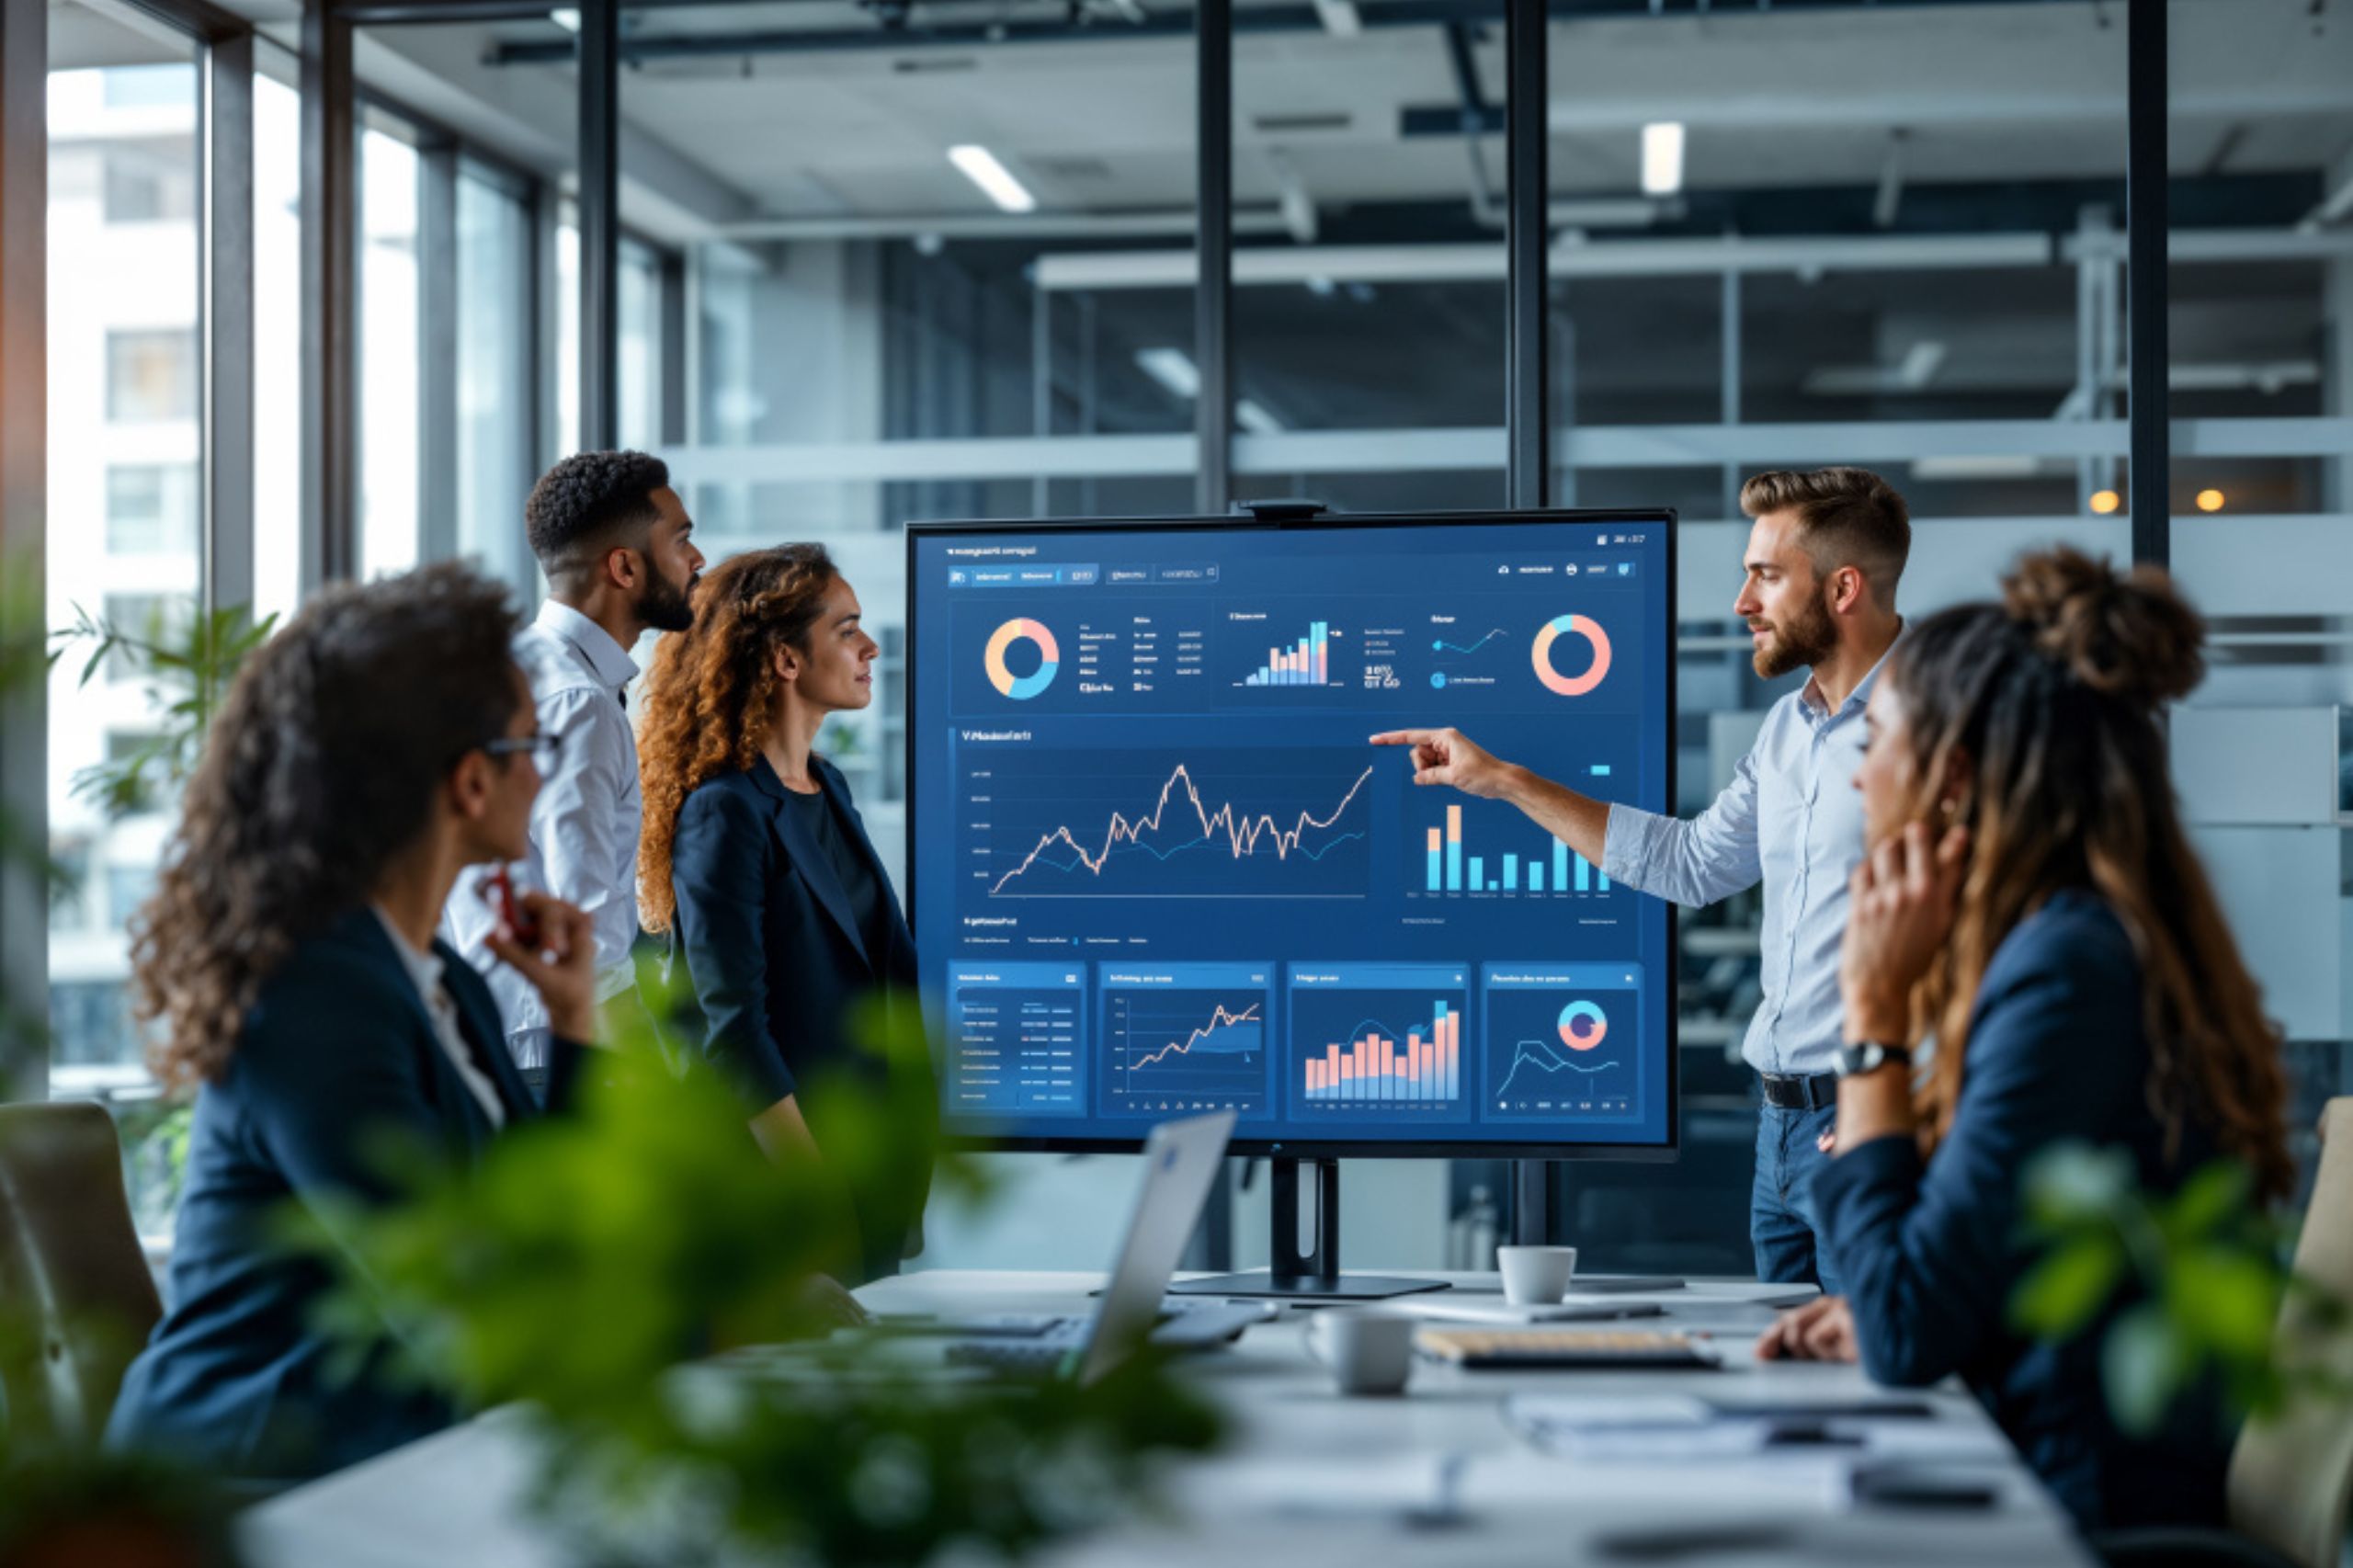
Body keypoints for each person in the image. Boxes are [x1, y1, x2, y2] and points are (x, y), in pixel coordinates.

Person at [1754, 548, 2291, 1533]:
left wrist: (1871, 1016)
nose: (1863, 774)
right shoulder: (2062, 945)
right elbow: (1938, 1284)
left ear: (1950, 778)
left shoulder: (2065, 971)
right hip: (2034, 1466)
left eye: (1878, 740)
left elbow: (1909, 1323)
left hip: (2068, 1510)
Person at [106, 564, 601, 1480]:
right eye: (532, 745)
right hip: (251, 1486)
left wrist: (573, 1022)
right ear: (468, 780)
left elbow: (549, 1219)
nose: (542, 773)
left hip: (394, 1459)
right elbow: (461, 1296)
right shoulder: (315, 995)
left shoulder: (439, 974)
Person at [1372, 467, 1911, 1293]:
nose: (1743, 601)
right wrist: (1507, 782)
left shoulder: (1939, 724)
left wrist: (1922, 1099)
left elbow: (1996, 920)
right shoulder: (1785, 731)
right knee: (1797, 1385)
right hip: (1779, 1130)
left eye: (1765, 575)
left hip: (1869, 1119)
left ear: (1843, 588)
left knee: (1880, 1386)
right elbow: (1690, 866)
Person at [636, 544, 931, 1284]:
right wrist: (818, 1195)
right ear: (786, 660)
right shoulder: (725, 813)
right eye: (847, 630)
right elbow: (733, 1029)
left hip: (869, 1175)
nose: (869, 648)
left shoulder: (828, 788)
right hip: (795, 1193)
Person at [442, 450, 705, 1098]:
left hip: (497, 1029)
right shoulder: (578, 703)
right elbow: (585, 922)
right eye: (682, 541)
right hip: (554, 1048)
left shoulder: (523, 669)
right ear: (624, 566)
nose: (698, 561)